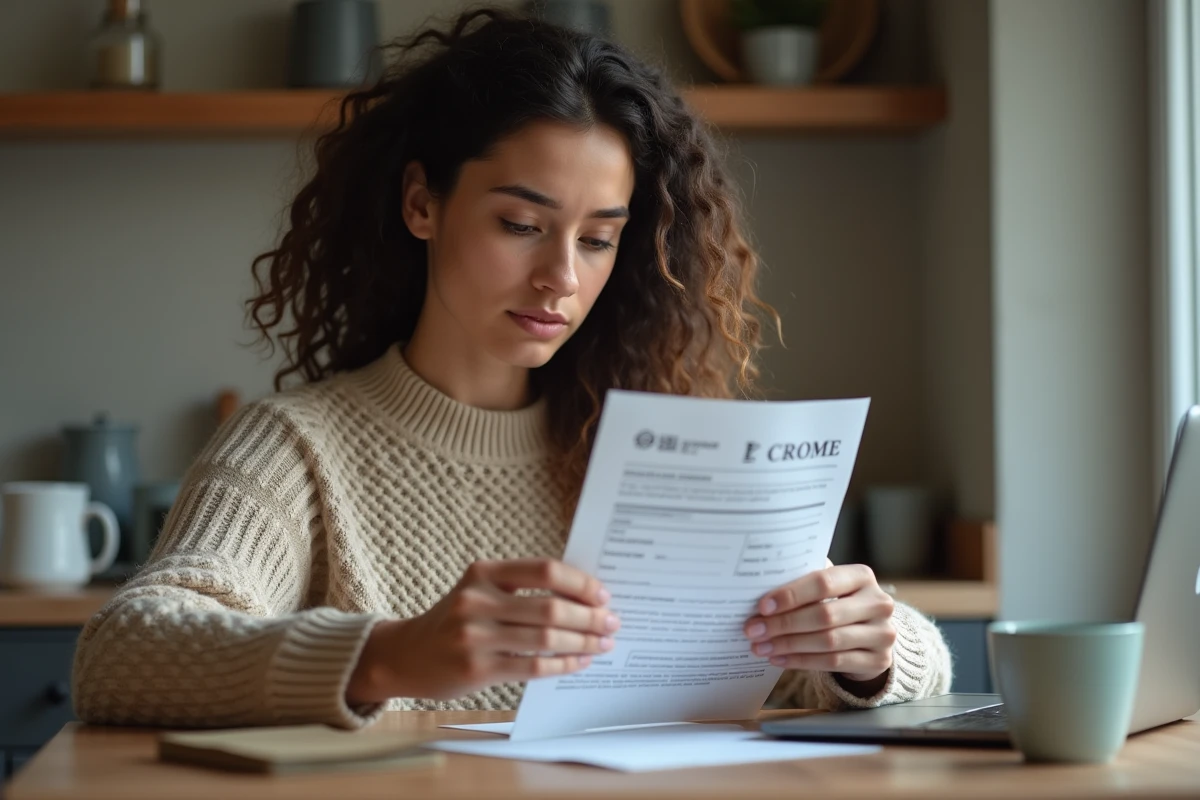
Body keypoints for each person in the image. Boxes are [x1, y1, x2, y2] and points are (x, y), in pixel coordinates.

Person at [72, 7, 951, 730]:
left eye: (599, 239)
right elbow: (121, 655)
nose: (561, 278)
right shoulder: (298, 448)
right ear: (423, 203)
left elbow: (900, 672)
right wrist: (388, 656)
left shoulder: (655, 453)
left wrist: (872, 651)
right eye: (521, 224)